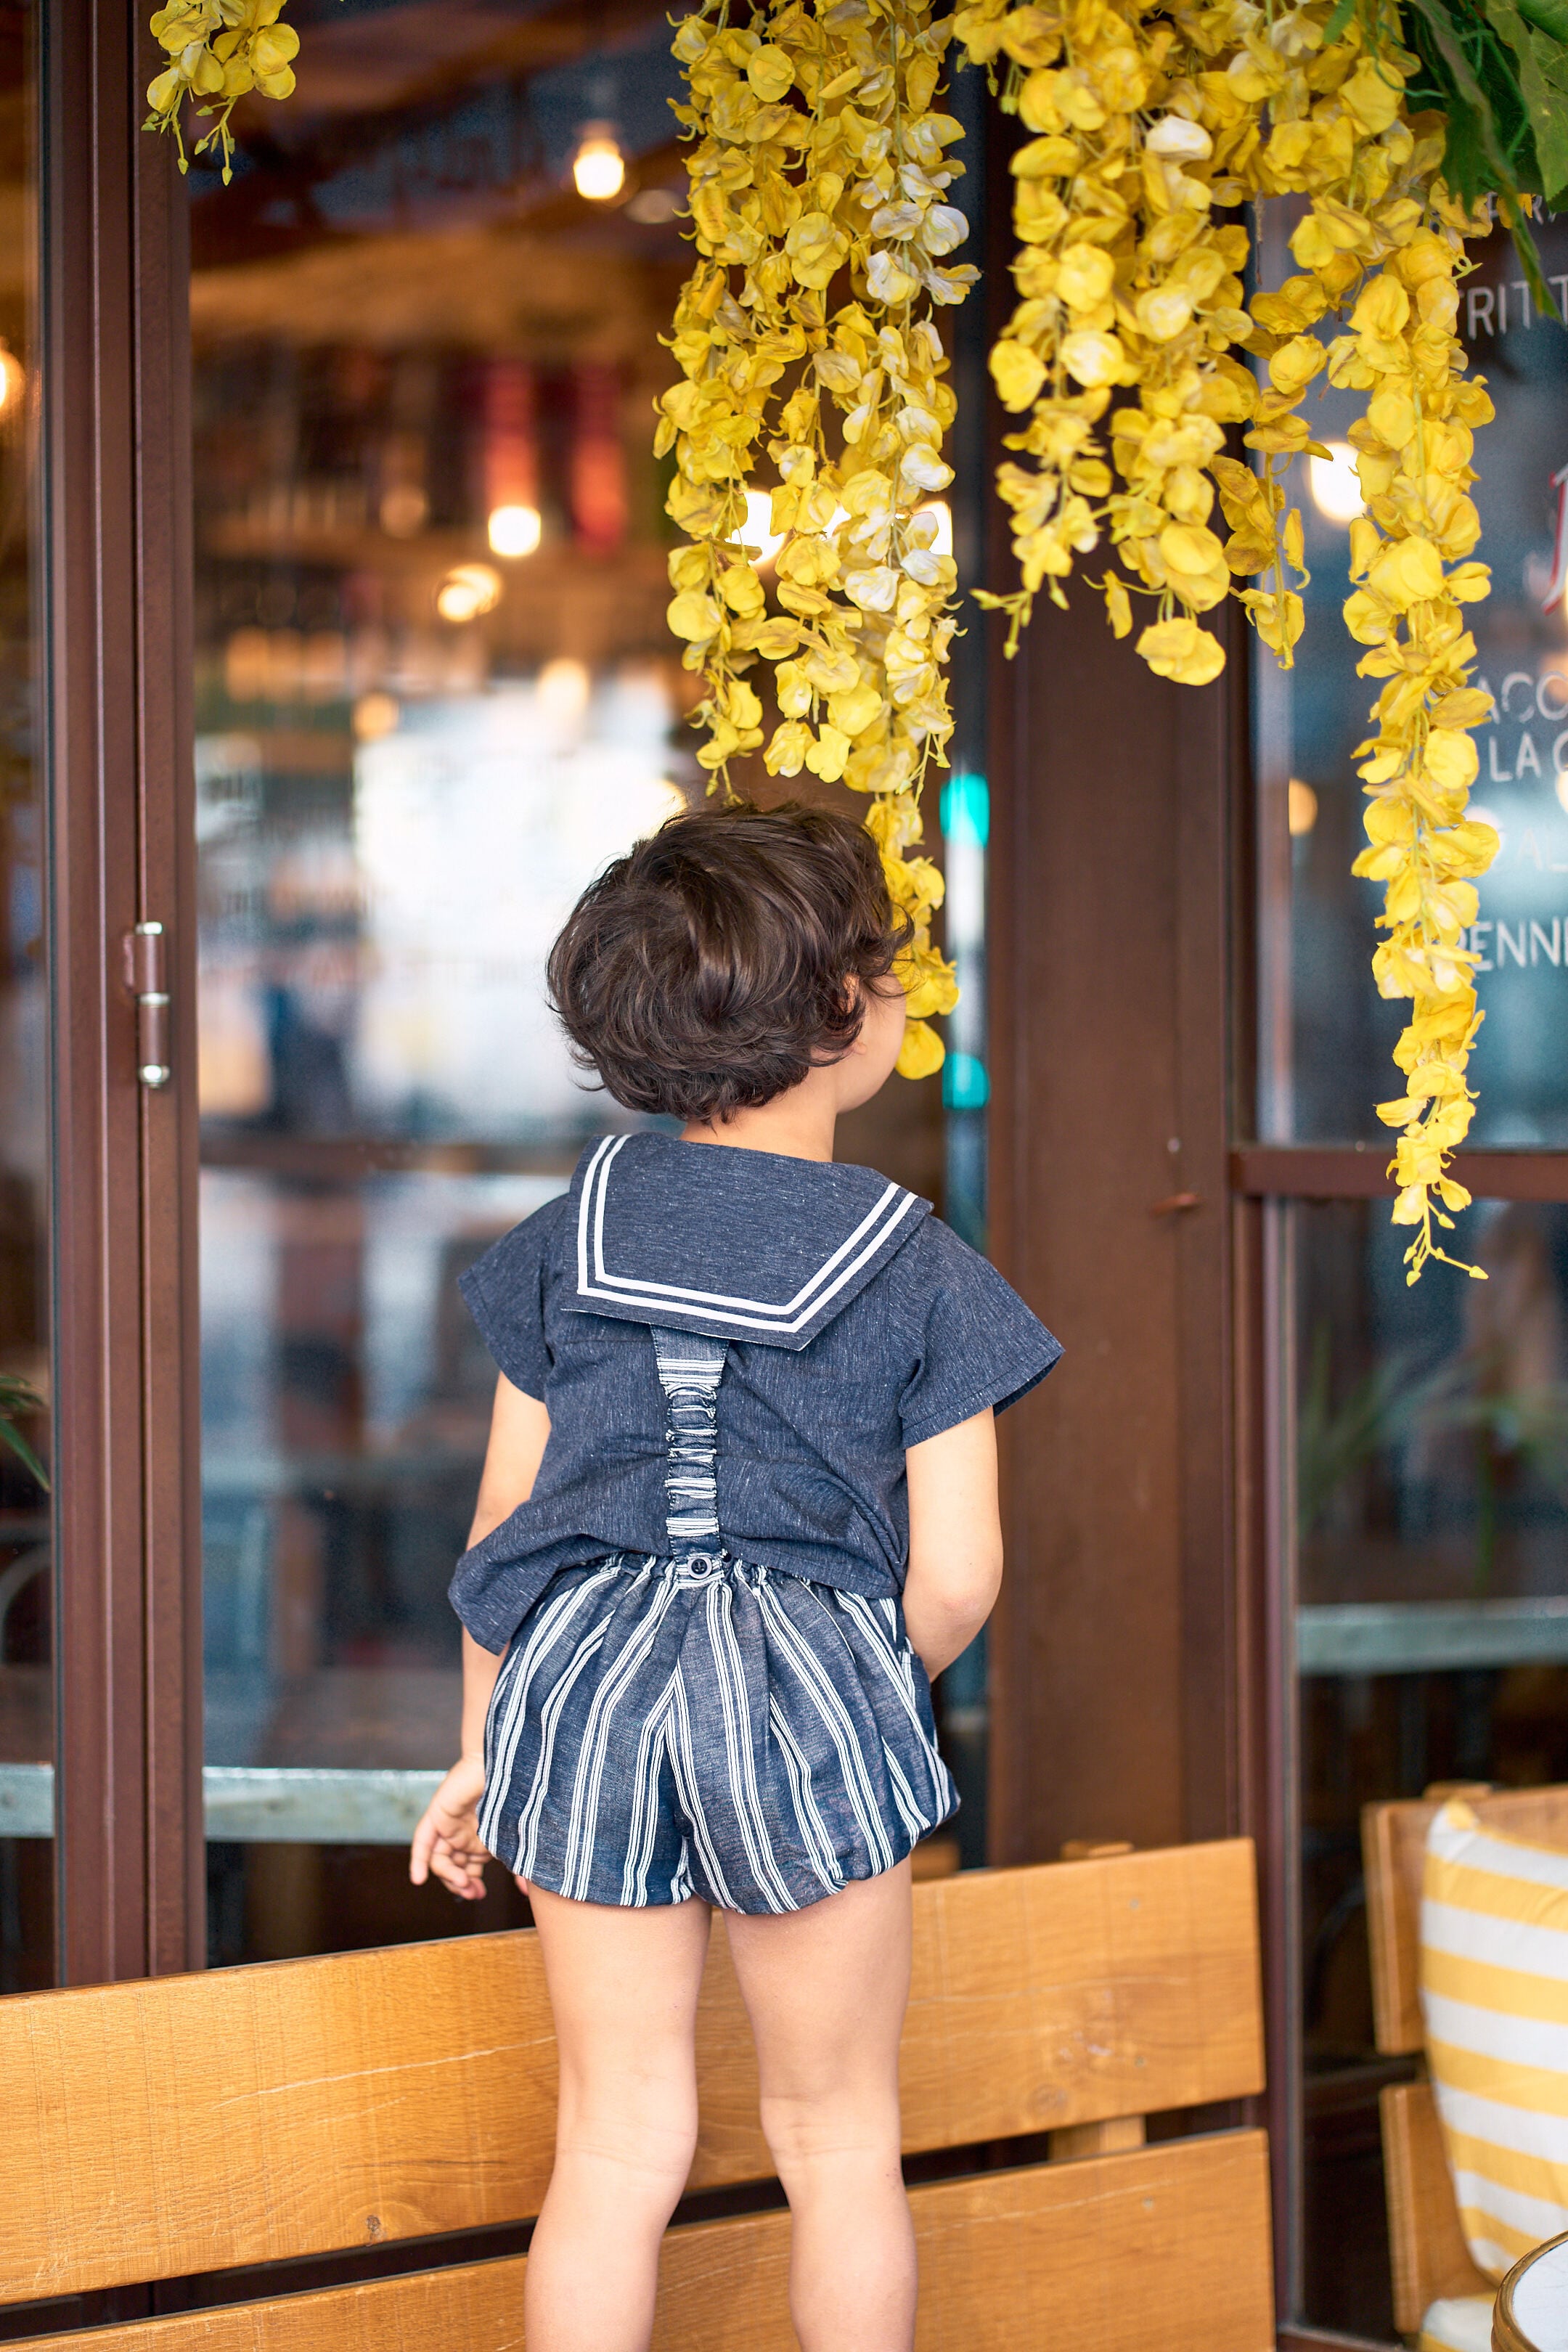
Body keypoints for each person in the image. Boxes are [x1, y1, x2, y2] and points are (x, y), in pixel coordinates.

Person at [409, 801, 1060, 2352]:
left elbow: (507, 1528)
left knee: (613, 2142)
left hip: (581, 1690)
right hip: (813, 1686)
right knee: (837, 2142)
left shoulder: (567, 1235)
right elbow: (960, 1573)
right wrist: (846, 1692)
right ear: (844, 1010)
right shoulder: (916, 1263)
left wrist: (488, 1745)